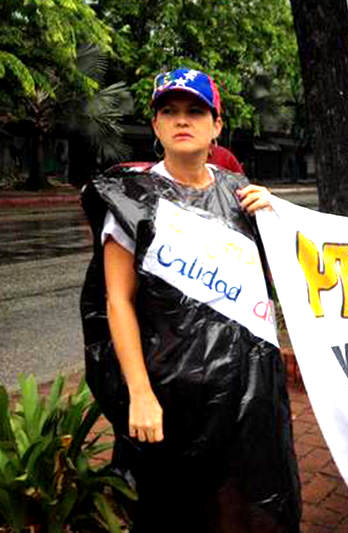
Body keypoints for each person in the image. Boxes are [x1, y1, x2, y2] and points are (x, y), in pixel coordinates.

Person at [80, 67, 301, 531]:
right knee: (174, 509)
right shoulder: (133, 198)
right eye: (170, 111)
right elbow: (116, 300)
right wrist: (139, 393)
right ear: (157, 125)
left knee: (244, 503)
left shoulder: (240, 193)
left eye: (195, 111)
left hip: (245, 392)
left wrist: (277, 215)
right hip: (169, 393)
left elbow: (284, 277)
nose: (183, 120)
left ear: (216, 125)